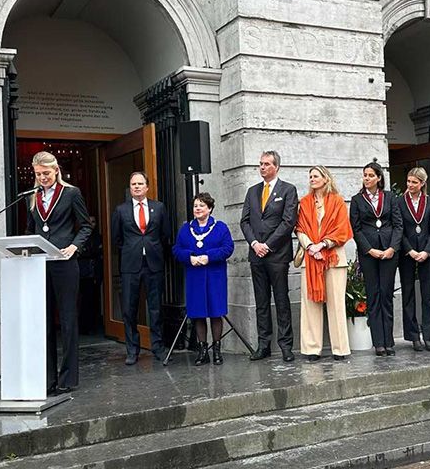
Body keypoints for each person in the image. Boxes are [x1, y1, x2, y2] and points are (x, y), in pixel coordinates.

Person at [25, 151, 92, 394]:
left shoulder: (71, 193)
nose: (42, 178)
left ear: (56, 171)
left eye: (46, 173)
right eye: (38, 174)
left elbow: (86, 225)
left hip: (64, 262)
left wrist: (74, 247)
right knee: (43, 321)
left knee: (67, 319)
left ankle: (68, 378)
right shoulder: (31, 197)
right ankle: (47, 378)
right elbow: (31, 230)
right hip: (40, 264)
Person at [240, 151, 298, 363]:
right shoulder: (252, 191)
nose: (262, 167)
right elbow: (244, 221)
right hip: (256, 255)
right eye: (260, 164)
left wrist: (268, 245)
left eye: (266, 164)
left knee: (281, 300)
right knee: (261, 301)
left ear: (276, 167)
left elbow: (288, 221)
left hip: (277, 255)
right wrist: (255, 244)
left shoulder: (288, 190)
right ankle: (263, 344)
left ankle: (285, 346)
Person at [110, 171, 170, 366]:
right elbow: (116, 239)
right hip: (130, 265)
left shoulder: (159, 208)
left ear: (147, 187)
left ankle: (158, 347)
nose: (136, 187)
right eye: (133, 183)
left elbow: (165, 235)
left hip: (154, 264)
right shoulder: (121, 210)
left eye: (140, 183)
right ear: (130, 187)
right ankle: (132, 350)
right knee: (129, 309)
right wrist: (133, 250)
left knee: (155, 309)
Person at [296, 165, 353, 362]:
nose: (312, 179)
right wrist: (311, 246)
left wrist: (323, 244)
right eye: (310, 176)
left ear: (326, 178)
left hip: (334, 258)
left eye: (315, 176)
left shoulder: (337, 201)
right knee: (310, 303)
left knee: (336, 304)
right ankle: (312, 348)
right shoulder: (304, 203)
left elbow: (343, 229)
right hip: (311, 257)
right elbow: (300, 229)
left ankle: (340, 349)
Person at [173, 192, 235, 364]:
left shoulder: (220, 227)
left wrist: (209, 256)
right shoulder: (186, 229)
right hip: (195, 277)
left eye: (201, 205)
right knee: (198, 314)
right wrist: (190, 257)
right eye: (195, 206)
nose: (198, 208)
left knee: (216, 313)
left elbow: (228, 248)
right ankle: (202, 351)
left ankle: (216, 351)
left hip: (215, 276)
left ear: (210, 208)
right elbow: (176, 250)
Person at [349, 162, 402, 356]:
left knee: (386, 294)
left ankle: (389, 341)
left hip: (388, 252)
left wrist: (392, 248)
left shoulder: (390, 197)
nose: (367, 178)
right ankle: (378, 342)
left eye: (371, 175)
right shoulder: (357, 200)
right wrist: (369, 249)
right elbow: (356, 228)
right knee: (374, 295)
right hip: (369, 253)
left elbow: (398, 225)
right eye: (365, 175)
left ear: (379, 178)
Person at [397, 167, 430, 351]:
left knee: (428, 295)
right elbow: (399, 228)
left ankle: (429, 335)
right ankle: (413, 336)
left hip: (427, 253)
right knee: (408, 294)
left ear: (422, 183)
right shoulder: (399, 202)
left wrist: (427, 251)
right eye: (408, 181)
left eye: (414, 182)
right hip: (407, 253)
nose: (410, 185)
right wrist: (410, 250)